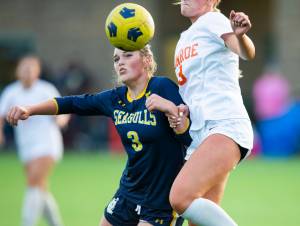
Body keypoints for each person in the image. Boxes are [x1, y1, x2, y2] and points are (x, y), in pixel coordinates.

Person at [6, 45, 192, 226]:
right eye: (116, 59)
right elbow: (71, 103)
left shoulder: (163, 87)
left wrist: (170, 109)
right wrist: (30, 109)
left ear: (147, 60)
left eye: (127, 56)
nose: (120, 62)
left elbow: (189, 139)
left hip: (160, 197)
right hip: (128, 192)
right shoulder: (115, 98)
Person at [150, 1, 255, 225]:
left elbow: (245, 52)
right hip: (200, 135)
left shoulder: (214, 20)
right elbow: (192, 89)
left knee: (180, 197)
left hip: (224, 125)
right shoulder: (184, 38)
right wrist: (183, 109)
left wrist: (241, 36)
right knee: (198, 220)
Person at [0, 56, 69, 226]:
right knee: (40, 187)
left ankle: (27, 223)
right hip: (26, 148)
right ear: (18, 71)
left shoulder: (46, 90)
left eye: (31, 69)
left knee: (33, 182)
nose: (27, 72)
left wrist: (61, 120)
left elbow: (64, 110)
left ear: (37, 72)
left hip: (47, 144)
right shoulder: (11, 91)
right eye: (24, 68)